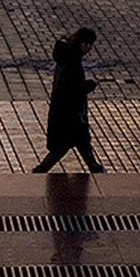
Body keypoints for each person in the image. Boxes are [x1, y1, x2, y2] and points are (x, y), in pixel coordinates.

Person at [32, 26, 105, 174]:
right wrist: (89, 85)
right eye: (89, 45)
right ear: (83, 44)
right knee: (72, 142)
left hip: (64, 111)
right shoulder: (73, 63)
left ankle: (93, 166)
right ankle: (42, 170)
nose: (90, 49)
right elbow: (73, 89)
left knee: (77, 142)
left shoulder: (65, 57)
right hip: (70, 113)